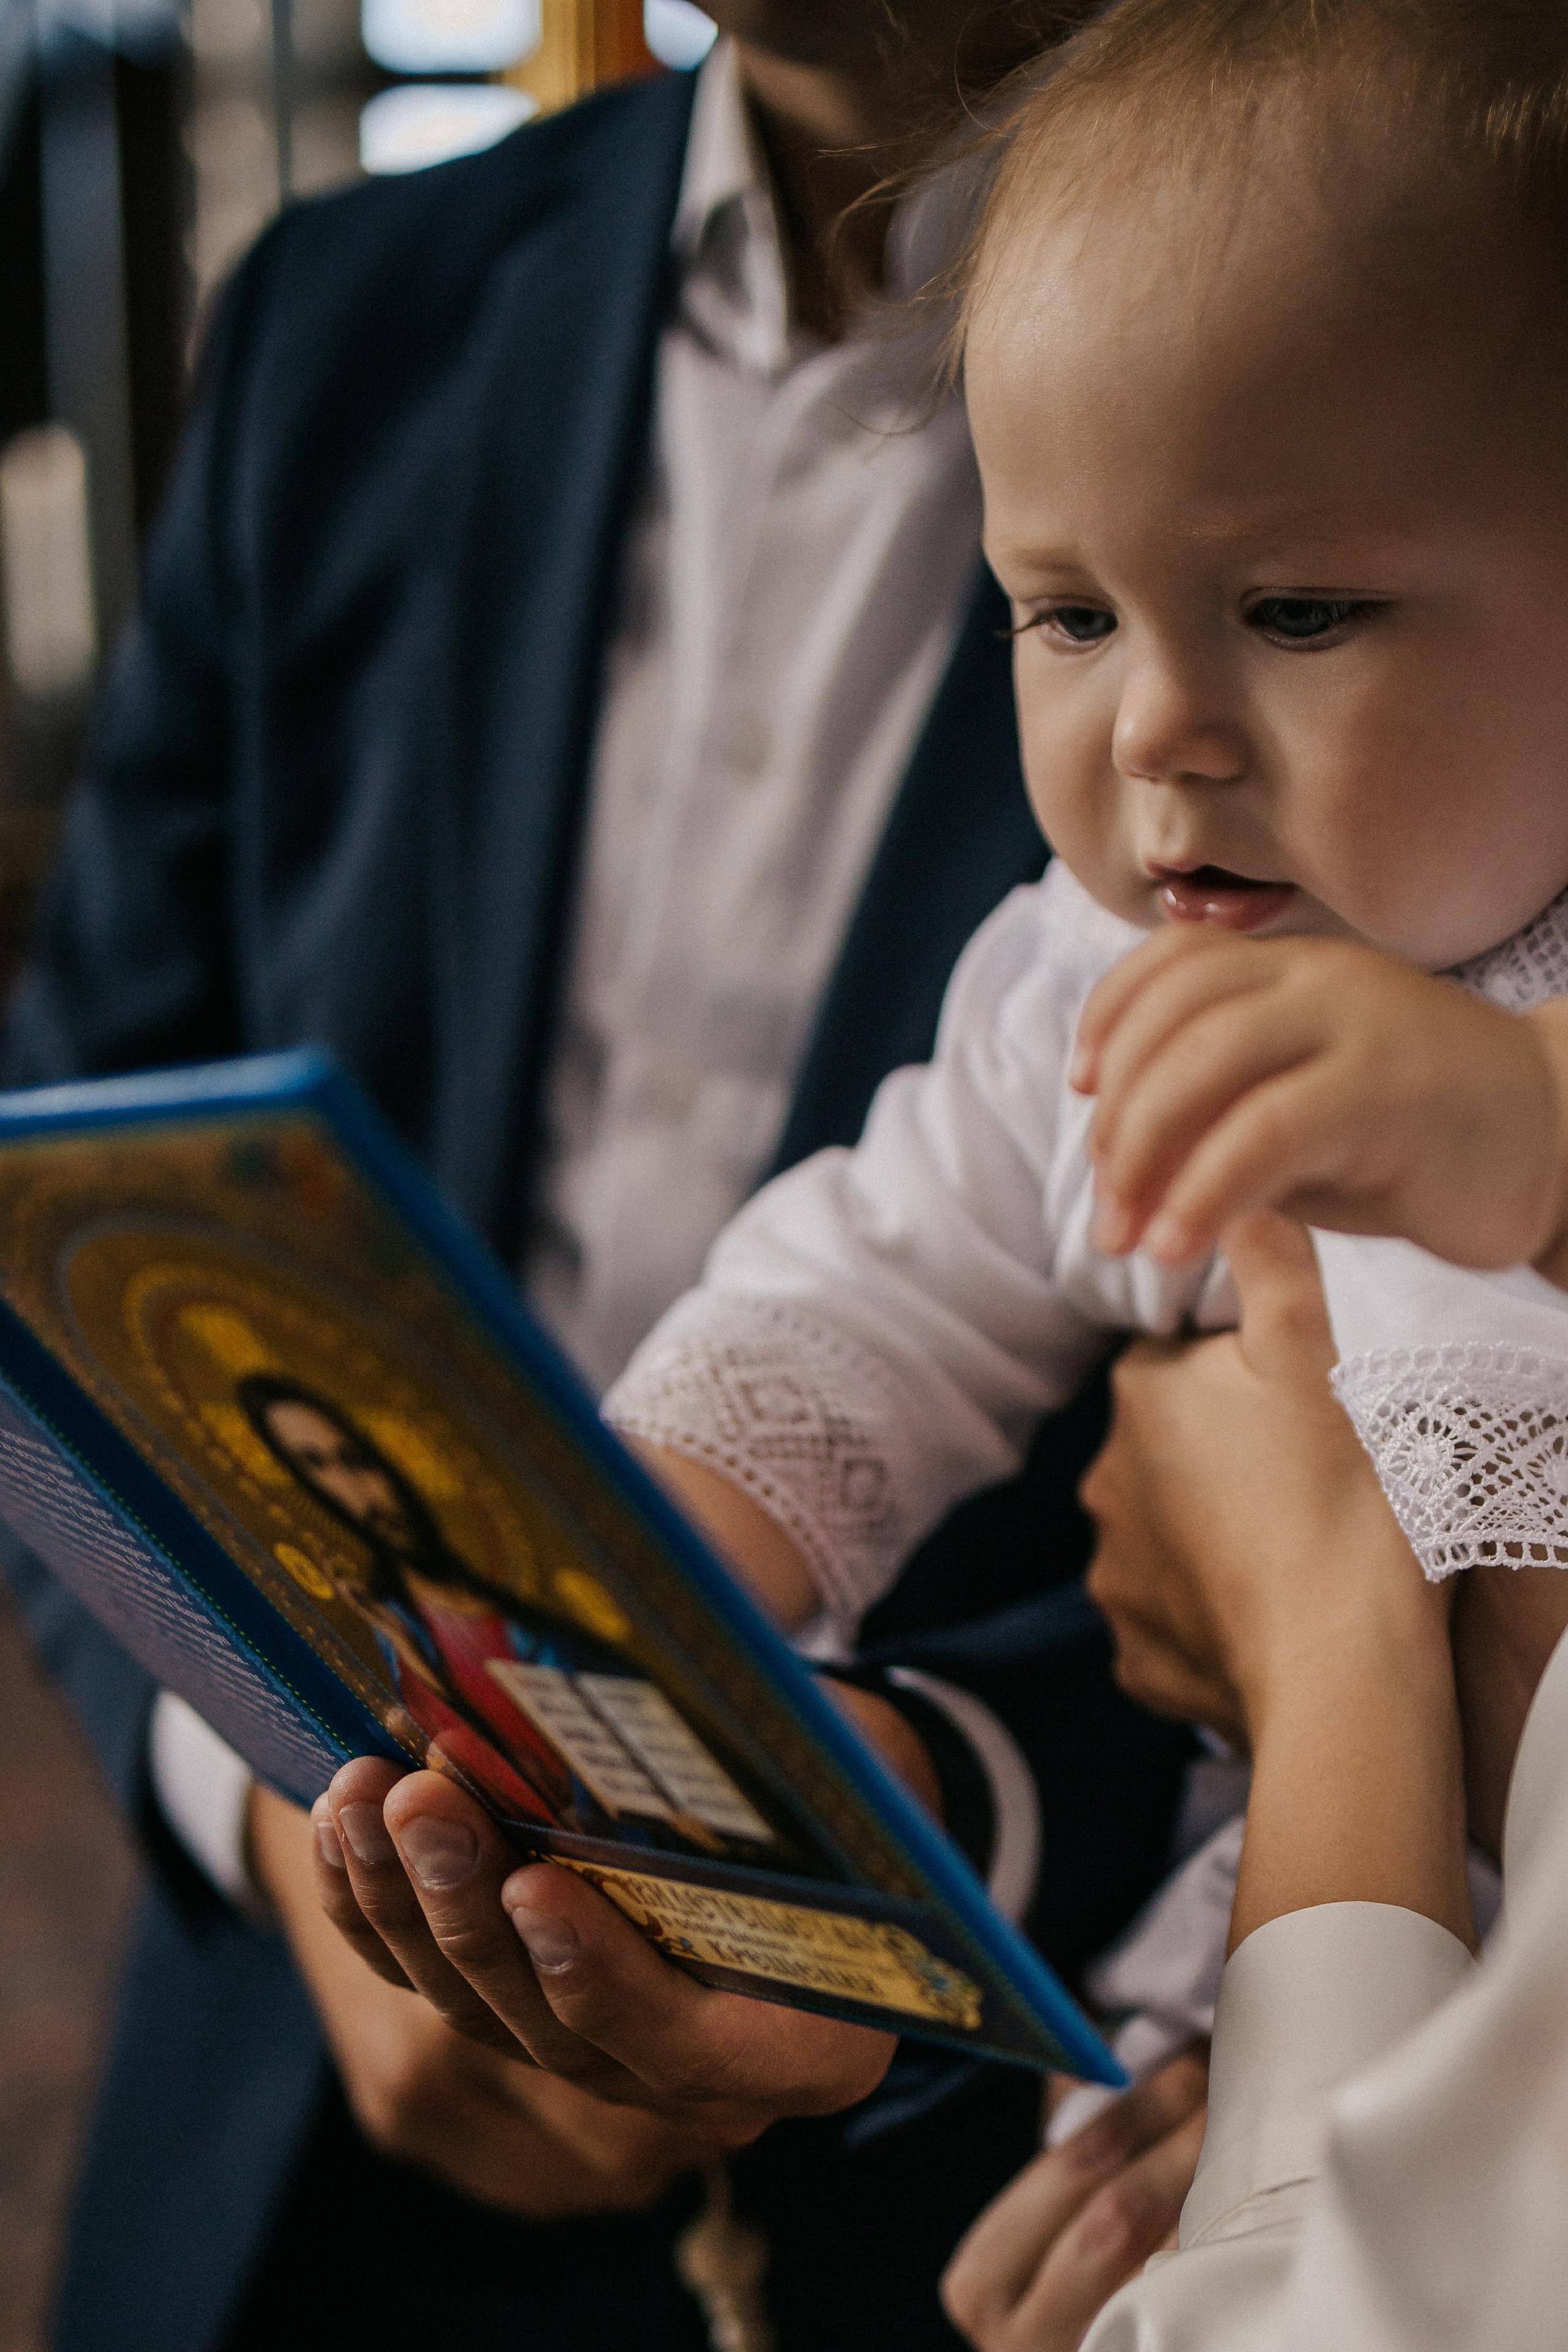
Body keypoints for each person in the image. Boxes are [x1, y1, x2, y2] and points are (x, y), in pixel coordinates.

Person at [0, 8, 1201, 2351]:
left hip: (1003, 2167)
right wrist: (257, 1778)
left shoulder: (1404, 294)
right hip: (283, 2097)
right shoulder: (342, 319)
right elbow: (59, 1201)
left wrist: (931, 1805)